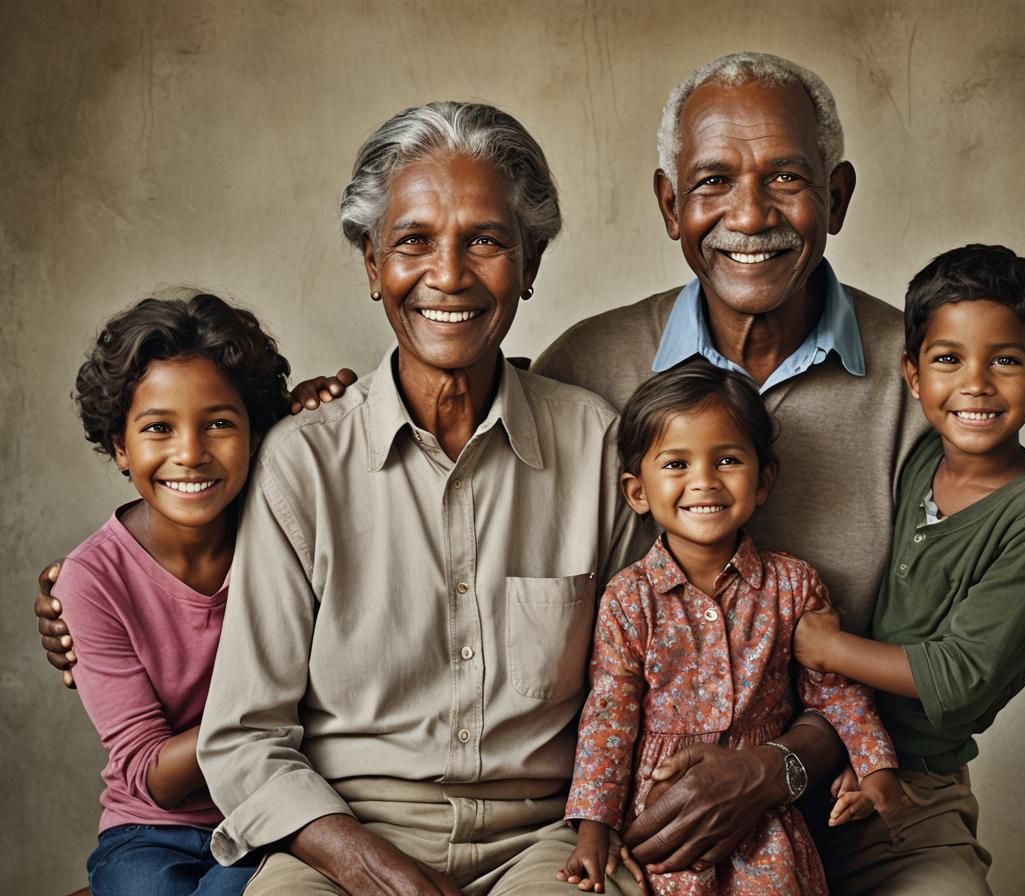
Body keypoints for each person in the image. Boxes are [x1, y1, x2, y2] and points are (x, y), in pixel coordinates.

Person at [188, 101, 644, 896]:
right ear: (372, 265)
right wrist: (373, 867)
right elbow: (245, 737)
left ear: (531, 263)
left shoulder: (597, 447)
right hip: (343, 834)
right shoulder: (302, 465)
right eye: (413, 241)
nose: (449, 274)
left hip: (548, 838)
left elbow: (646, 677)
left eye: (487, 241)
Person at [532, 52, 928, 881]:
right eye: (713, 181)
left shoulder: (920, 378)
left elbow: (940, 653)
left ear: (839, 195)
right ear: (670, 205)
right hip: (645, 807)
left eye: (787, 177)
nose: (750, 214)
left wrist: (781, 766)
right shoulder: (584, 367)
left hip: (868, 790)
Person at [792, 244, 1025, 894]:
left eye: (1005, 360)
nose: (975, 383)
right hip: (832, 742)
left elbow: (959, 676)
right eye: (949, 359)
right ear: (914, 376)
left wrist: (829, 647)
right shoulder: (921, 459)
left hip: (918, 775)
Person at [558, 362, 903, 896]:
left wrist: (874, 764)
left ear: (763, 480)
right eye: (676, 463)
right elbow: (609, 722)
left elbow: (833, 690)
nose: (704, 481)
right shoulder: (629, 600)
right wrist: (592, 829)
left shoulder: (792, 586)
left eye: (727, 460)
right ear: (637, 492)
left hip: (763, 818)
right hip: (661, 812)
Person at [51, 293, 294, 895]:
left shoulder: (287, 534)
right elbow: (152, 776)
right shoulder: (91, 580)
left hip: (276, 812)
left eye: (218, 423)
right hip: (151, 829)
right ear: (119, 448)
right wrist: (267, 702)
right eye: (158, 428)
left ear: (257, 433)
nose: (190, 453)